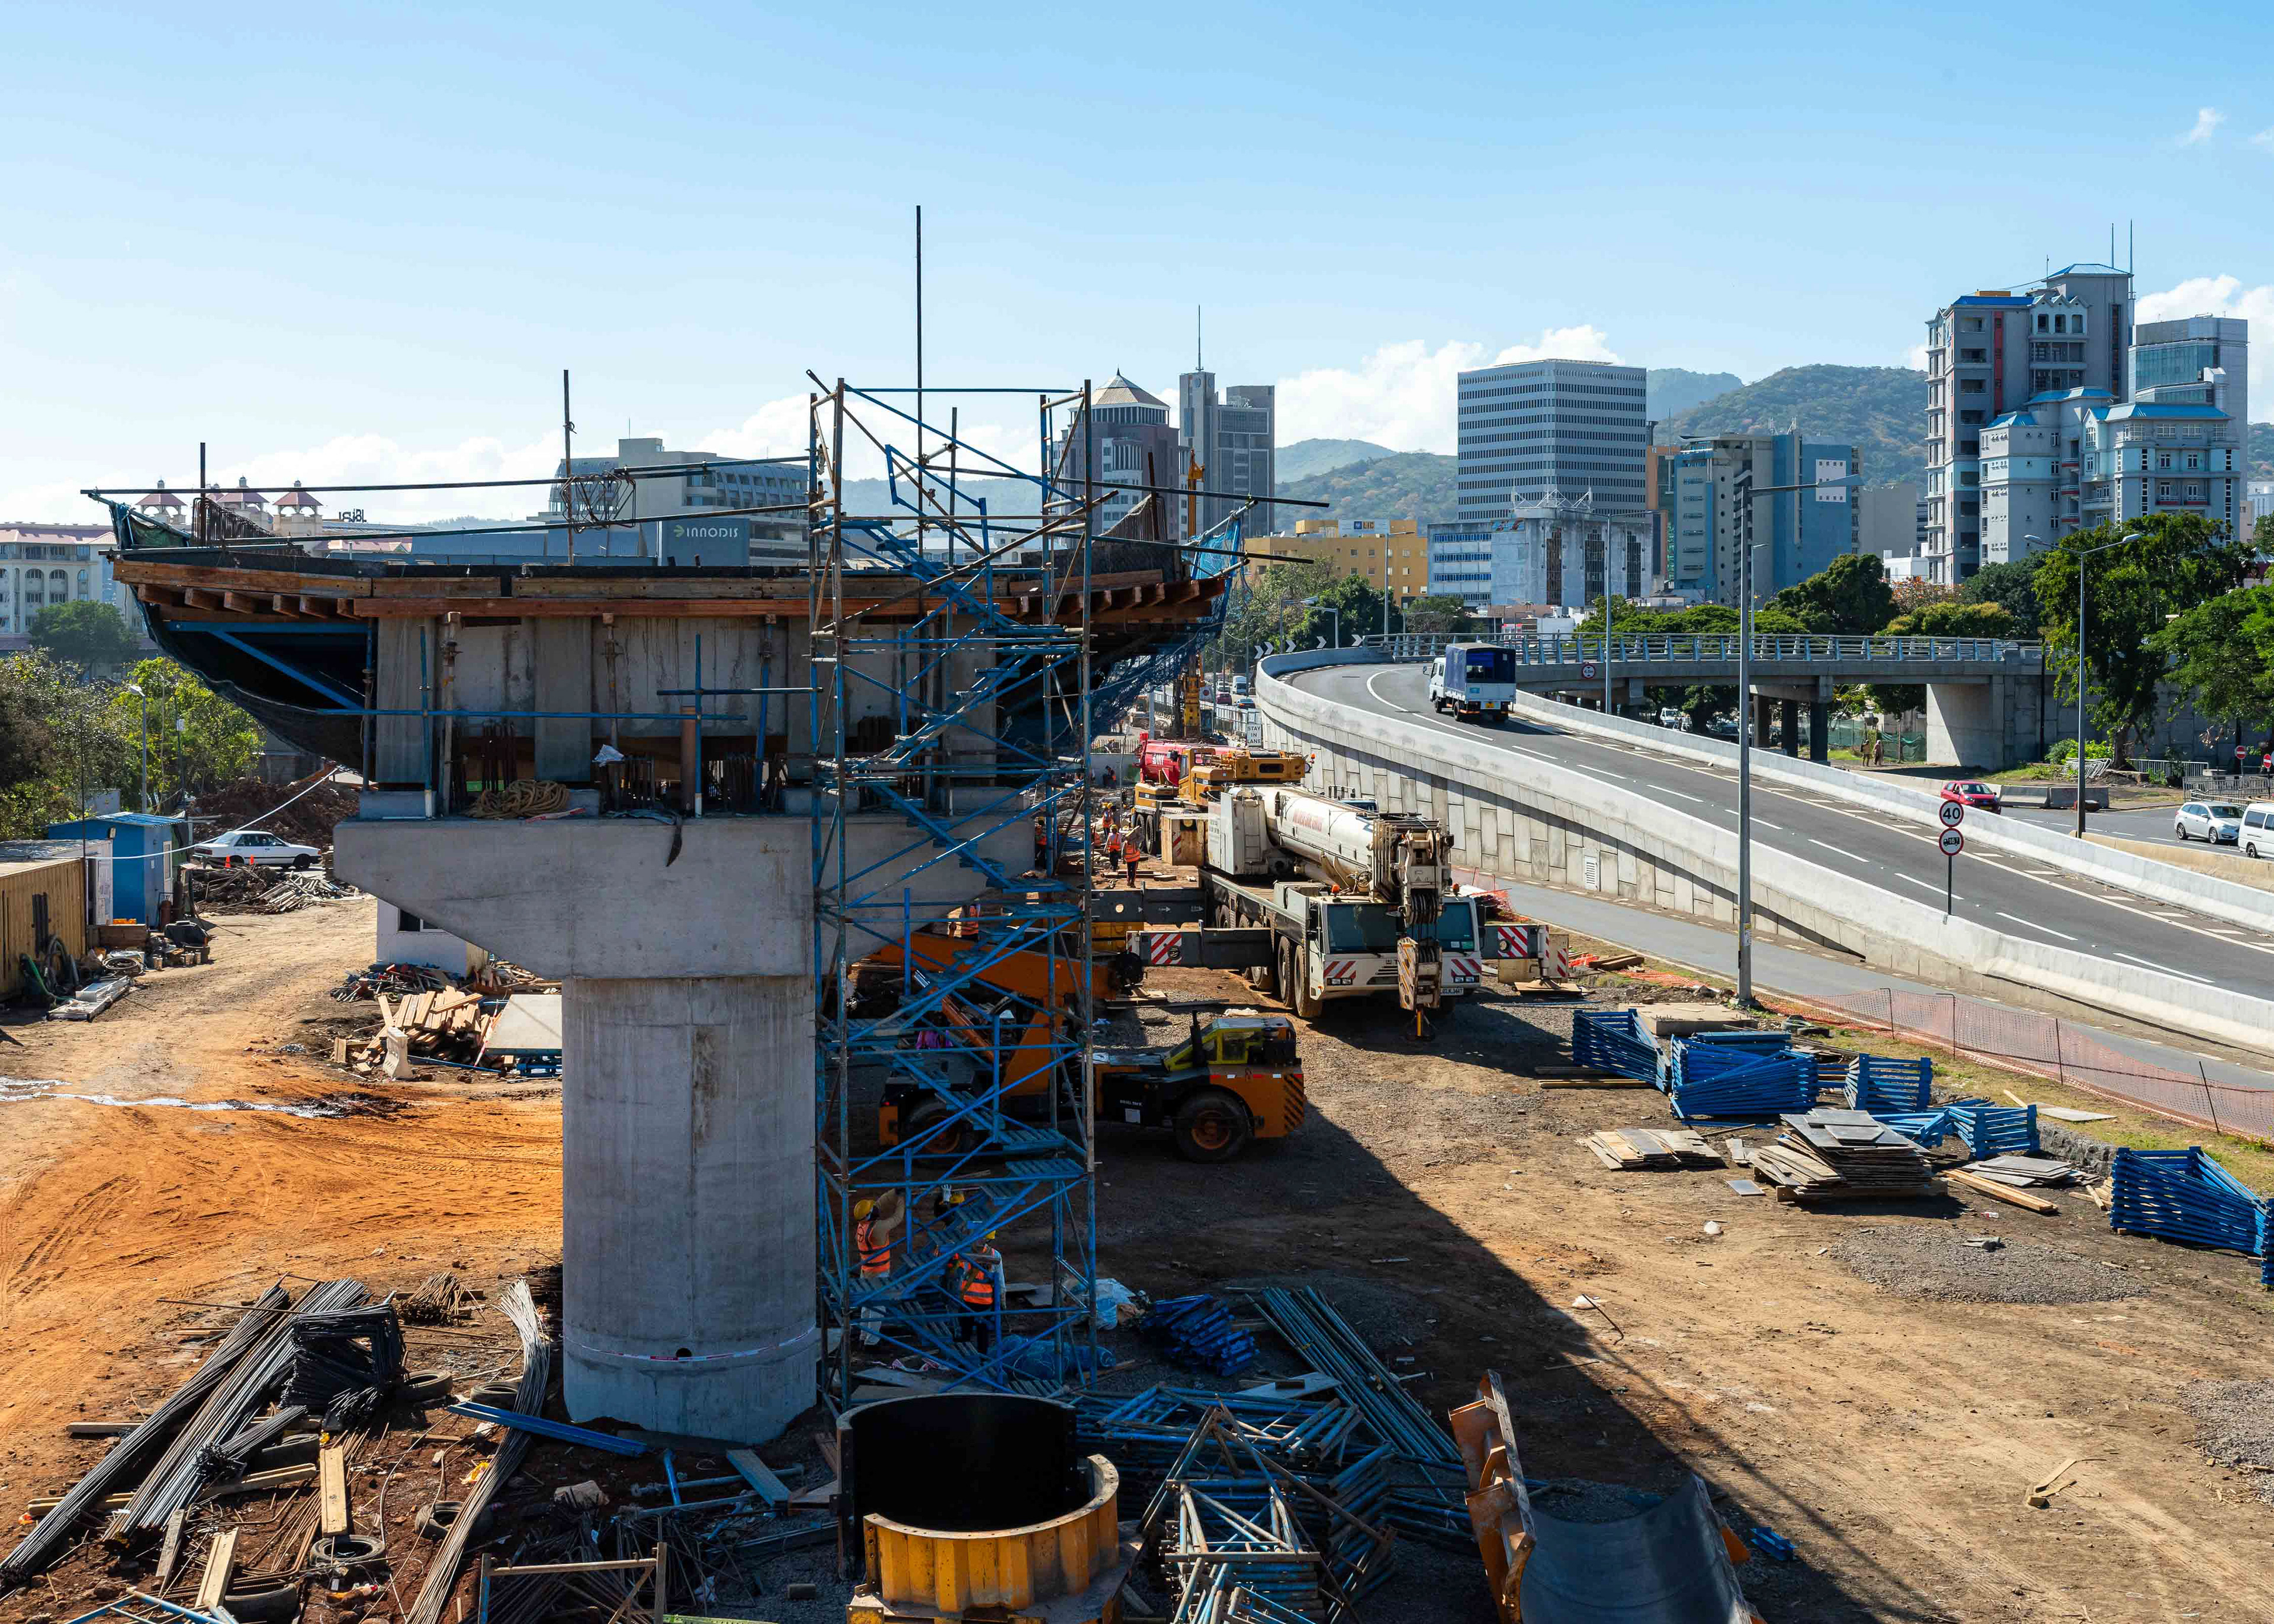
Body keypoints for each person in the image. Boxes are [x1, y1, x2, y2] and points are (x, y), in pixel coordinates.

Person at [853, 1191, 904, 1349]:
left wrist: (894, 1192)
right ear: (869, 1215)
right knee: (877, 1309)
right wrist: (902, 1199)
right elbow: (897, 1218)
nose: (875, 1207)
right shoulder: (877, 1229)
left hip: (866, 1272)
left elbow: (879, 1204)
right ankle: (871, 1344)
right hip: (878, 1274)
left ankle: (863, 1337)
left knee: (867, 1305)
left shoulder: (863, 1225)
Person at [951, 1233, 1004, 1355]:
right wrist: (1002, 1299)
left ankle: (964, 1359)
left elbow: (956, 1274)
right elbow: (1000, 1281)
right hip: (985, 1303)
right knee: (983, 1332)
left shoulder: (964, 1254)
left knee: (965, 1331)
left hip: (967, 1301)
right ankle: (983, 1358)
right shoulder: (995, 1255)